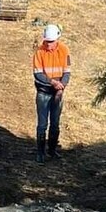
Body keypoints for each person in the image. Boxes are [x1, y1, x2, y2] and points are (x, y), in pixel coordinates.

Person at [31, 24, 71, 163]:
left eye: (51, 42)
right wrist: (53, 83)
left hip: (57, 93)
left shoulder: (64, 50)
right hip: (44, 92)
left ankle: (52, 150)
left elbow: (67, 72)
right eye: (47, 41)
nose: (49, 44)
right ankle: (40, 153)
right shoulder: (39, 53)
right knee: (42, 124)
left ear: (57, 39)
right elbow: (38, 74)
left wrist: (61, 86)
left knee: (55, 123)